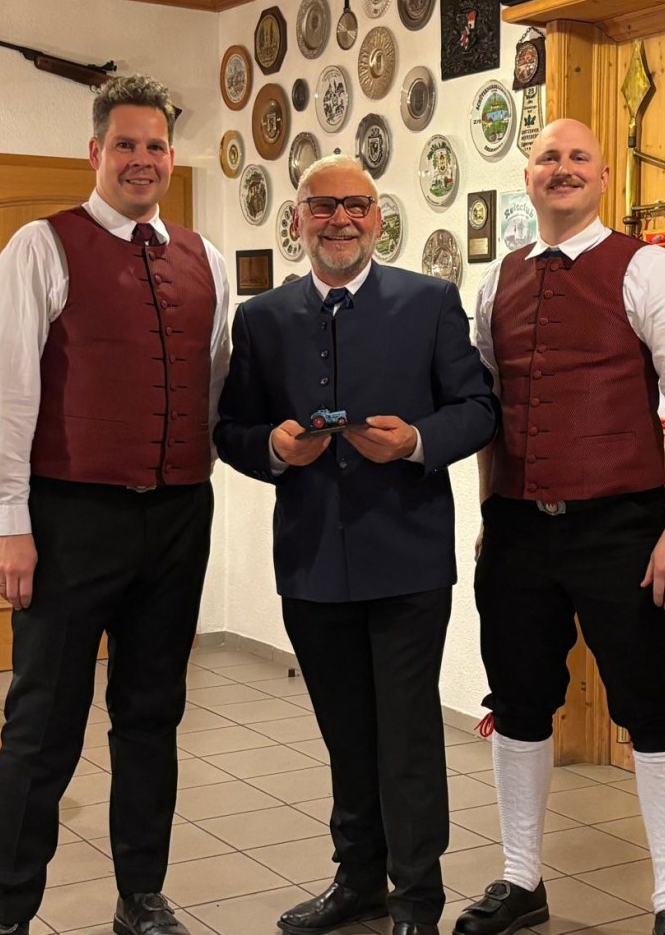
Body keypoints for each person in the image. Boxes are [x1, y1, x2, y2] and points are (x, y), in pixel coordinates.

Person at [0, 74, 230, 935]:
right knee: (43, 723)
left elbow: (213, 387)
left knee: (152, 715)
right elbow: (3, 394)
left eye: (155, 145)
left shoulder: (206, 259)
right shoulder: (41, 247)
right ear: (95, 152)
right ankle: (8, 912)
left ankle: (141, 896)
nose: (141, 159)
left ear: (171, 157)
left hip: (178, 518)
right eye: (126, 144)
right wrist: (8, 524)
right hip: (71, 519)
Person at [454, 119, 665, 935]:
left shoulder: (648, 268)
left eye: (578, 157)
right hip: (517, 530)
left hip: (623, 528)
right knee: (519, 697)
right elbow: (492, 412)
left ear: (604, 177)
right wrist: (488, 513)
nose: (562, 168)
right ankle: (520, 880)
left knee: (651, 701)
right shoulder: (497, 281)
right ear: (528, 177)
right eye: (548, 157)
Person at [215, 154, 498, 935]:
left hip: (407, 558)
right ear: (298, 219)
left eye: (356, 206)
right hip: (311, 560)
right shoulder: (263, 318)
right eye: (323, 206)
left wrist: (415, 440)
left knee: (406, 734)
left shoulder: (429, 302)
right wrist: (271, 447)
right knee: (345, 733)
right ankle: (358, 880)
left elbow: (478, 409)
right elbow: (231, 428)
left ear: (378, 218)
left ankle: (418, 897)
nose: (340, 220)